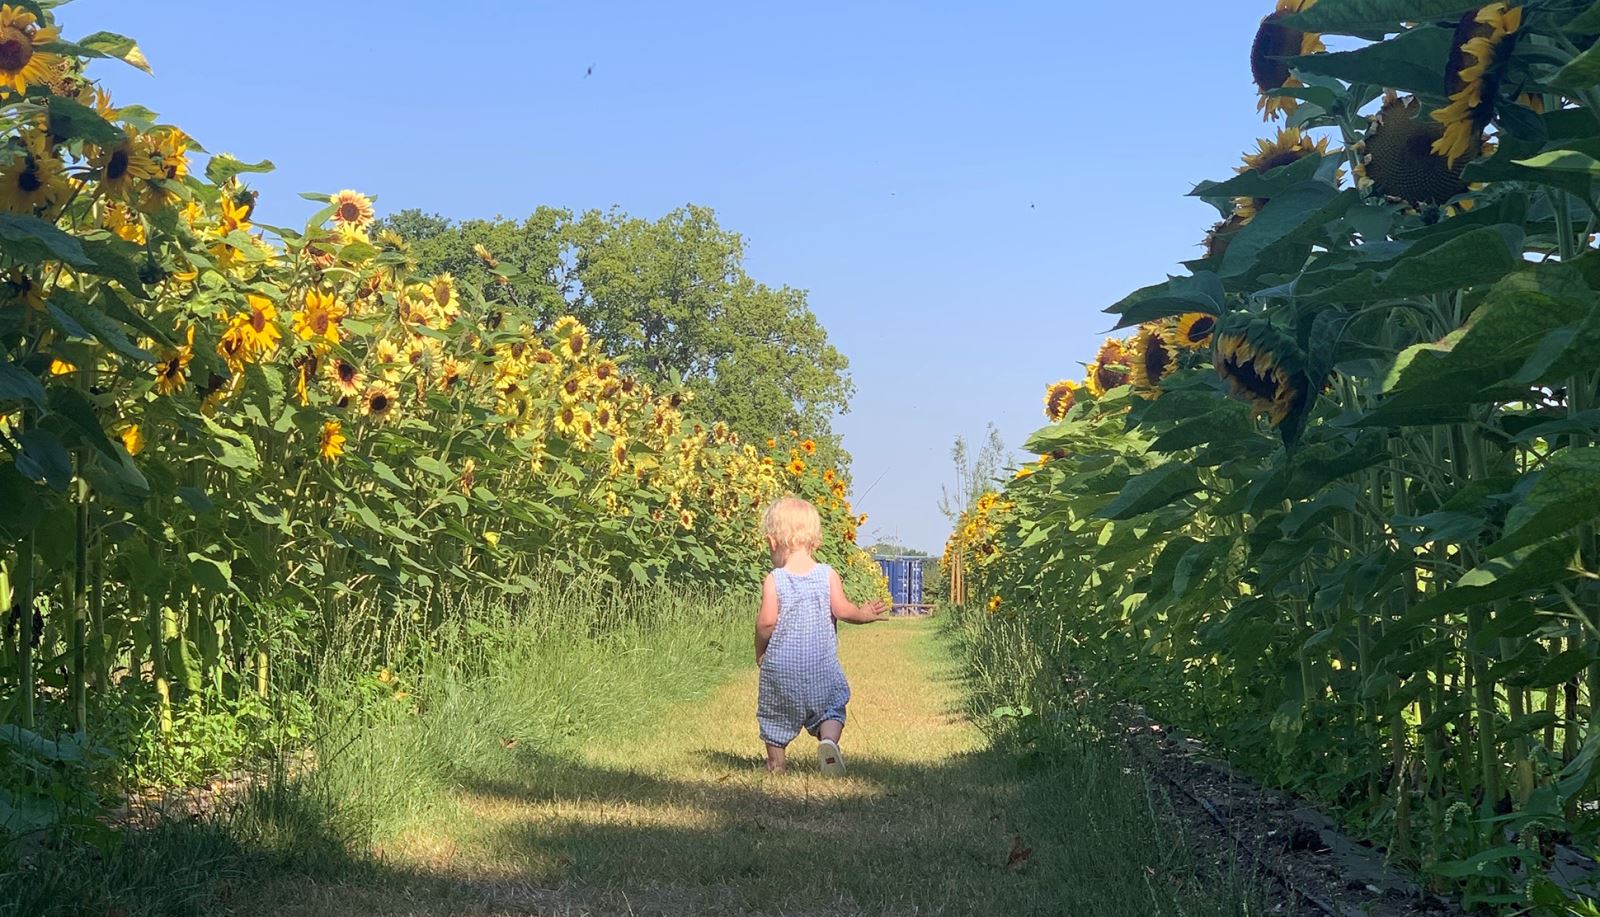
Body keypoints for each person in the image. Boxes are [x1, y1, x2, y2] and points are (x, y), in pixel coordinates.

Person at [755, 496, 888, 775]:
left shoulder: (774, 579)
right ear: (815, 541)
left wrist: (760, 650)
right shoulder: (827, 575)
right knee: (831, 709)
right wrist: (864, 614)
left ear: (772, 541)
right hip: (821, 667)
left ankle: (776, 763)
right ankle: (828, 742)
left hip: (782, 669)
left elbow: (766, 622)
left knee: (775, 714)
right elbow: (842, 610)